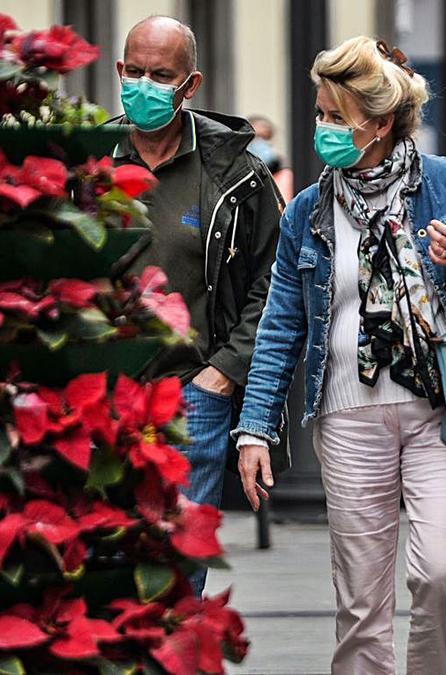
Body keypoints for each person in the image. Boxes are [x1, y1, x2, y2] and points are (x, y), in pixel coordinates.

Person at [232, 37, 446, 675]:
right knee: (361, 602)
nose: (322, 129)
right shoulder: (308, 210)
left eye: (336, 117)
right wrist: (255, 425)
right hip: (348, 418)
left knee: (441, 570)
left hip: (441, 414)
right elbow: (281, 324)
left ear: (381, 122)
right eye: (319, 114)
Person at [111, 15, 285, 594]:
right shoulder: (86, 163)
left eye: (161, 75)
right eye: (133, 72)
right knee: (104, 563)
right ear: (118, 70)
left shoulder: (236, 172)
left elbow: (275, 283)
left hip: (192, 394)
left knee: (176, 569)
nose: (144, 85)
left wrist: (224, 372)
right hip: (101, 397)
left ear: (191, 86)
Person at [247, 114, 295, 202]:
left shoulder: (285, 176)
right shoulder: (237, 176)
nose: (260, 142)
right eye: (255, 137)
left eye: (265, 137)